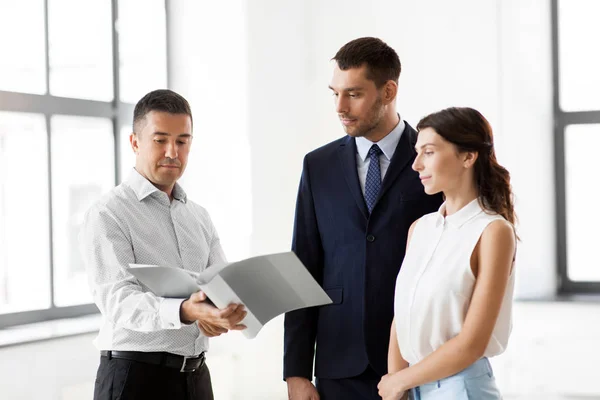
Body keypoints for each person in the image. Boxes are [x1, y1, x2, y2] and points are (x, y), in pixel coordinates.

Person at [283, 37, 443, 400]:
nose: (340, 106)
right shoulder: (317, 166)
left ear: (389, 91)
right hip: (338, 360)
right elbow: (303, 265)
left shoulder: (433, 160)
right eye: (334, 93)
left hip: (417, 359)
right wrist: (296, 371)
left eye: (353, 94)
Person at [80, 89, 246, 400]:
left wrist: (216, 316)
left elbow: (218, 287)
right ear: (135, 142)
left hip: (196, 378)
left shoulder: (199, 216)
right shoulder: (108, 213)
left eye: (182, 141)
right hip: (136, 379)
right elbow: (117, 299)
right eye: (160, 140)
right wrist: (185, 311)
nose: (173, 151)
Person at [377, 107, 517, 400]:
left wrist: (399, 380)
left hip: (460, 388)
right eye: (417, 152)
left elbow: (471, 343)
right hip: (410, 385)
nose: (415, 164)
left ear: (468, 156)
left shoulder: (493, 231)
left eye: (428, 152)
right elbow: (402, 314)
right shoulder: (420, 228)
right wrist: (395, 381)